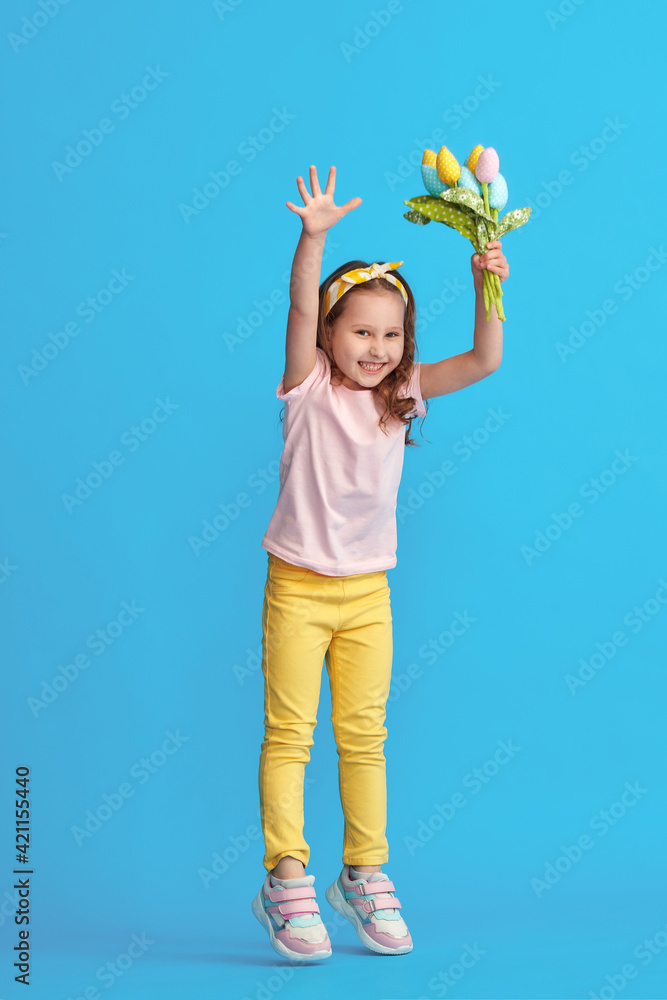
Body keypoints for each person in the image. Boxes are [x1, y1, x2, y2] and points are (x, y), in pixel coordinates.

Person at [251, 164, 509, 961]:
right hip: (298, 587)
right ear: (329, 334)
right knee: (290, 735)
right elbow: (299, 303)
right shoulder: (306, 389)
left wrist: (486, 281)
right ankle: (285, 879)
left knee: (364, 738)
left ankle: (362, 873)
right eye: (360, 332)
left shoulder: (402, 395)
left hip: (368, 595)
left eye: (391, 335)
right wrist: (312, 239)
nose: (377, 348)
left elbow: (484, 362)